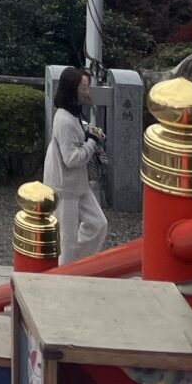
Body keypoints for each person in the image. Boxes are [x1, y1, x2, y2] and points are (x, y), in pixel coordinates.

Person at [44, 66, 108, 264]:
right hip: (65, 186)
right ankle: (66, 273)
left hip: (78, 184)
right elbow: (70, 159)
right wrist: (91, 142)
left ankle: (77, 264)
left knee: (98, 224)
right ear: (73, 89)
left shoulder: (74, 113)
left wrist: (91, 133)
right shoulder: (64, 119)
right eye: (84, 88)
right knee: (68, 240)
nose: (87, 92)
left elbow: (79, 132)